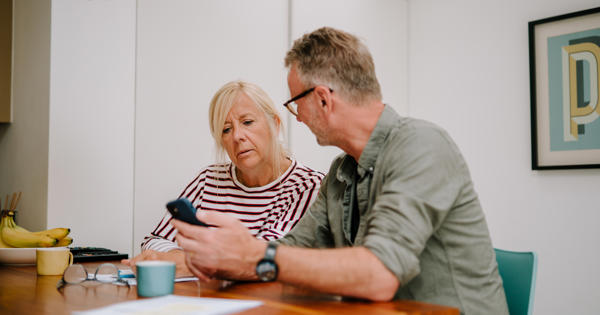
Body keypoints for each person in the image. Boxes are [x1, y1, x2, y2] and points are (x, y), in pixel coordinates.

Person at [172, 27, 509, 314]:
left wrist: (256, 254)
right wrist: (227, 255)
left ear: (322, 99)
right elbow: (292, 250)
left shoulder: (423, 145)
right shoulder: (340, 172)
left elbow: (379, 273)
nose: (297, 116)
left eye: (295, 103)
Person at [122, 80, 324, 276]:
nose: (237, 136)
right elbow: (155, 239)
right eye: (226, 129)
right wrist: (180, 256)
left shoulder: (307, 187)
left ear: (275, 124)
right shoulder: (209, 179)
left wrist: (188, 261)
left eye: (247, 122)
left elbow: (266, 258)